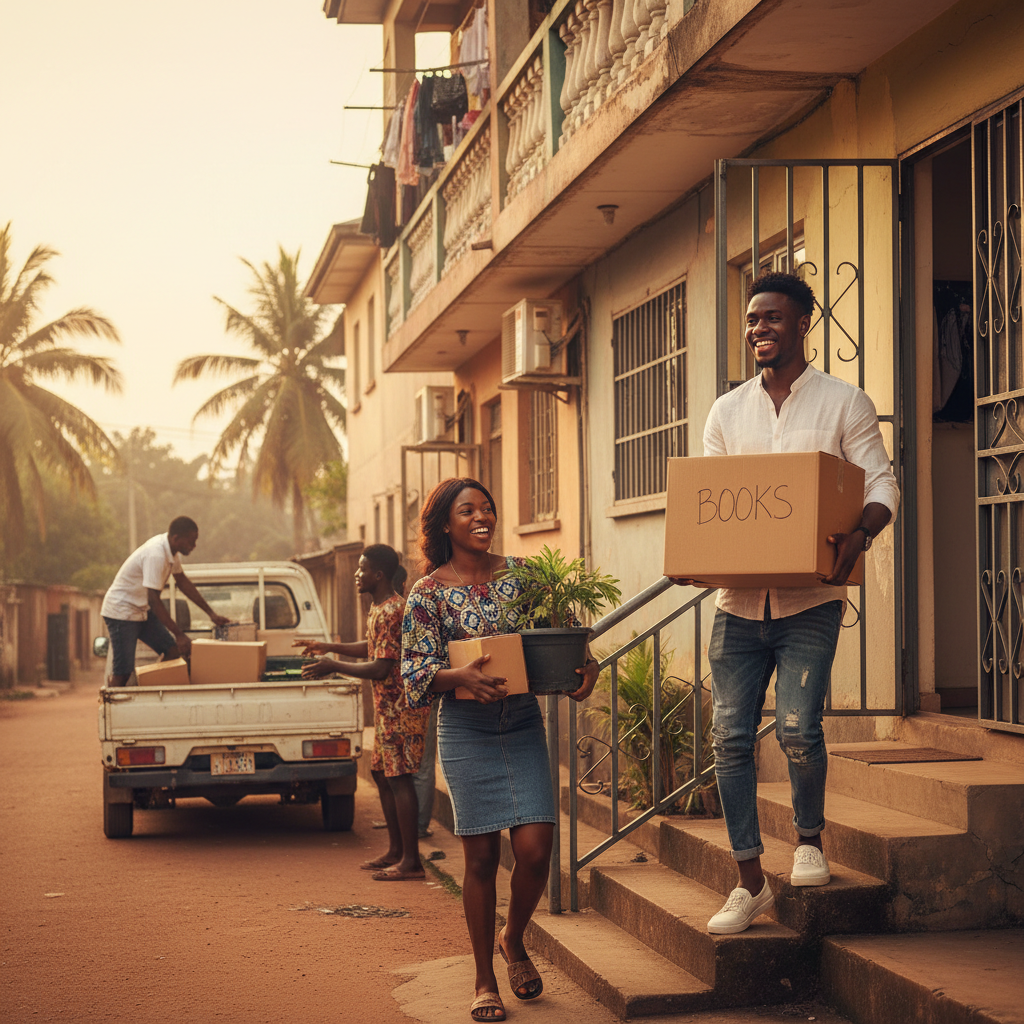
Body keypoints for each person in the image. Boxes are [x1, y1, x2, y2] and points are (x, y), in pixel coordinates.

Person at [671, 272, 900, 936]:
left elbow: (880, 478)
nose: (758, 330)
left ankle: (809, 840)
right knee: (729, 739)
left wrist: (863, 529)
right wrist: (695, 557)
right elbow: (713, 502)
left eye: (771, 318)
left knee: (799, 728)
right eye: (750, 320)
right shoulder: (727, 412)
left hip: (810, 600)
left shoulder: (843, 402)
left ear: (803, 322)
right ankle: (748, 882)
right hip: (738, 605)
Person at [401, 478, 599, 1023]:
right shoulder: (428, 593)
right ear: (446, 523)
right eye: (468, 511)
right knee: (482, 857)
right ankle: (485, 978)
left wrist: (588, 667)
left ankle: (514, 938)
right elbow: (414, 674)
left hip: (522, 724)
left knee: (536, 849)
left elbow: (563, 633)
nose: (482, 517)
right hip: (465, 731)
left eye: (487, 508)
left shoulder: (524, 576)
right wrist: (457, 674)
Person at [298, 544, 428, 881]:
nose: (357, 574)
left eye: (362, 569)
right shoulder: (379, 609)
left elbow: (381, 667)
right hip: (387, 710)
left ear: (378, 574)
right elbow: (373, 648)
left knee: (400, 780)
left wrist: (332, 665)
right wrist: (329, 647)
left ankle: (411, 860)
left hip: (402, 708)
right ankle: (396, 851)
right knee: (383, 776)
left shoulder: (392, 610)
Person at [101, 516, 229, 687]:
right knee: (123, 672)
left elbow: (183, 583)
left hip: (141, 610)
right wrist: (179, 634)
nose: (194, 546)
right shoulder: (156, 555)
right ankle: (112, 707)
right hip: (122, 612)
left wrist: (211, 614)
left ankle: (151, 687)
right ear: (176, 538)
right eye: (191, 542)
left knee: (172, 651)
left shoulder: (172, 553)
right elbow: (154, 600)